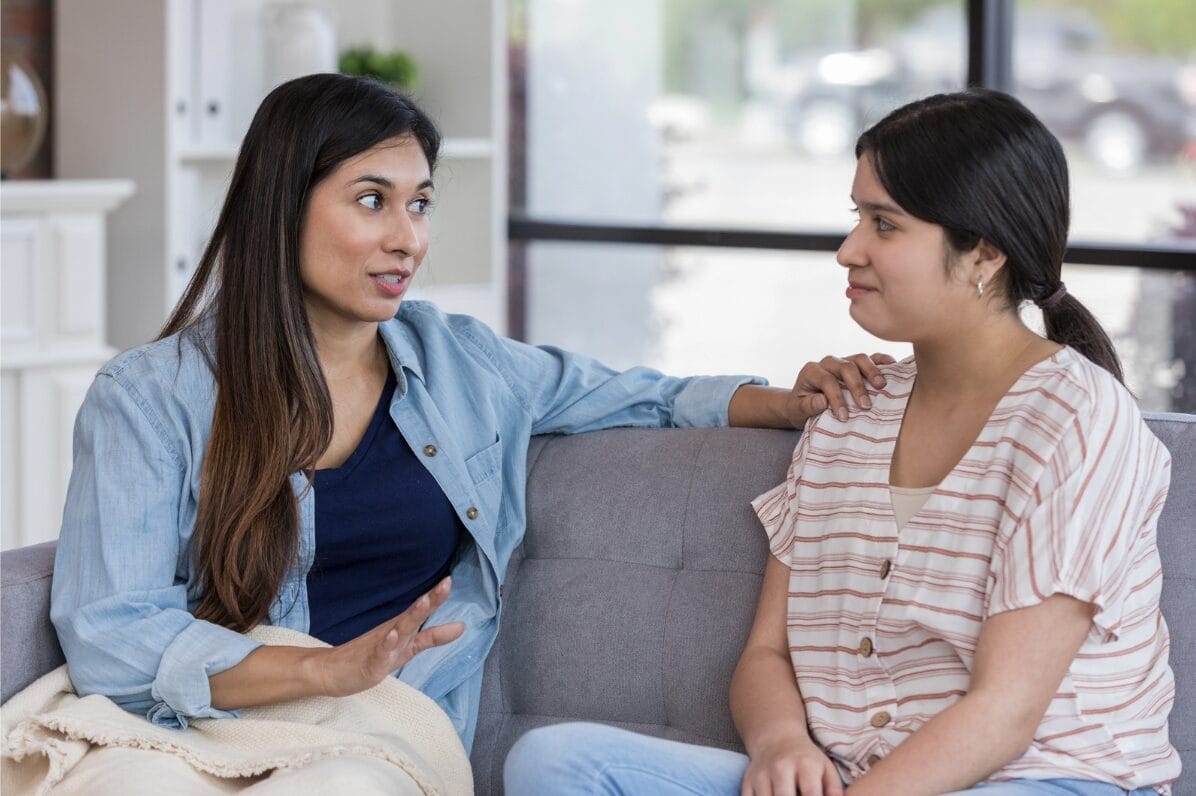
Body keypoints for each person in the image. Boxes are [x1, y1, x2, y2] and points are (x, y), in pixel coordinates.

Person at [47, 71, 887, 765]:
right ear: (282, 206)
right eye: (371, 200)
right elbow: (110, 634)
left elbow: (639, 393)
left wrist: (786, 400)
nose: (407, 238)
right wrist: (317, 670)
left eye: (420, 204)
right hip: (199, 726)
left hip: (381, 733)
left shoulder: (460, 363)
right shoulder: (150, 397)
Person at [503, 89, 1180, 795]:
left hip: (1046, 779)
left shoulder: (1077, 417)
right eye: (856, 216)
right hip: (855, 778)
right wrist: (781, 744)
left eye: (884, 225)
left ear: (984, 253)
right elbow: (767, 653)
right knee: (556, 764)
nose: (847, 250)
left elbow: (1004, 714)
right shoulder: (849, 411)